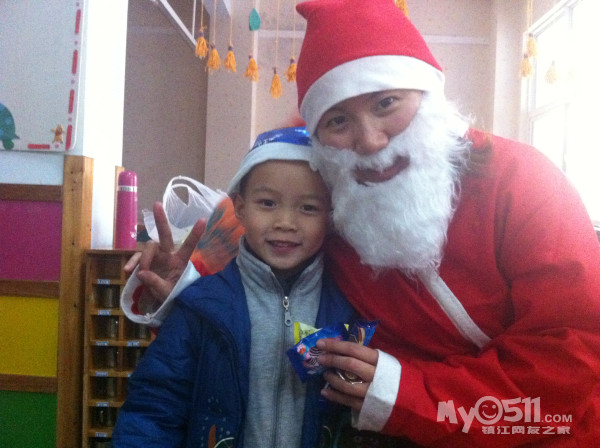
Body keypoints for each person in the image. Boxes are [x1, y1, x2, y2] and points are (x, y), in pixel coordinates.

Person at [122, 0, 600, 446]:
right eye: (338, 121)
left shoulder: (525, 183)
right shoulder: (330, 204)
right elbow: (253, 275)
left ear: (426, 93)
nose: (370, 141)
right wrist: (181, 287)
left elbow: (569, 367)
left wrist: (403, 392)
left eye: (386, 103)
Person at [112, 127, 363, 447]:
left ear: (330, 216)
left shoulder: (348, 305)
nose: (285, 222)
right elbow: (155, 408)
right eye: (268, 203)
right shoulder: (201, 306)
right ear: (240, 207)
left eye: (308, 208)